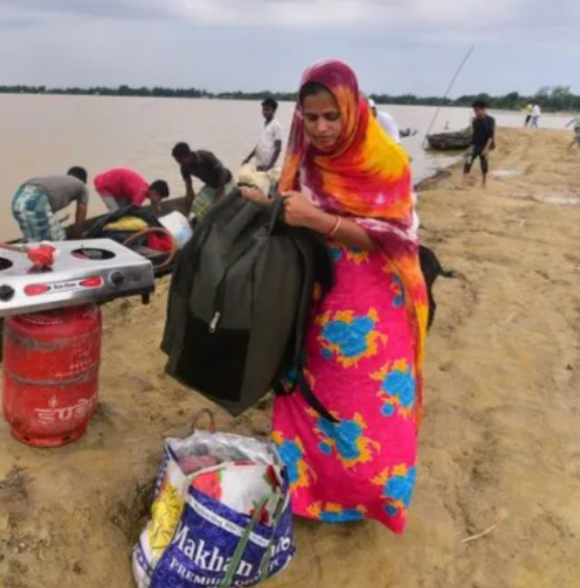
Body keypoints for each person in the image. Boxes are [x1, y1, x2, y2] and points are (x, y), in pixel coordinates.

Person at [239, 59, 427, 534]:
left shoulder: (387, 163)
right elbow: (293, 210)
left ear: (352, 109)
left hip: (371, 306)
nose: (321, 128)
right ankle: (306, 494)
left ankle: (365, 501)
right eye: (311, 116)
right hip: (311, 296)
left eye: (331, 116)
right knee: (305, 394)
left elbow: (397, 240)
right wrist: (268, 206)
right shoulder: (302, 155)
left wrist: (320, 221)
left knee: (366, 406)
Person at [11, 167, 88, 241]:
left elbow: (46, 217)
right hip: (36, 198)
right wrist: (78, 238)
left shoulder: (58, 183)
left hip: (18, 199)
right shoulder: (81, 186)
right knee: (57, 240)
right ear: (84, 181)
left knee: (33, 239)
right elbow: (80, 218)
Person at [172, 143, 234, 221]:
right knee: (196, 209)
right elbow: (189, 190)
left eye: (181, 161)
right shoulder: (184, 168)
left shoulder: (205, 156)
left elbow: (222, 173)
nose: (180, 164)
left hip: (226, 183)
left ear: (187, 155)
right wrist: (186, 214)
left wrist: (218, 194)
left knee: (217, 209)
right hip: (211, 186)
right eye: (178, 162)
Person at [93, 168, 169, 216]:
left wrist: (155, 205)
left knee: (124, 208)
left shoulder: (146, 189)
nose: (159, 201)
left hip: (118, 188)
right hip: (104, 185)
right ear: (155, 192)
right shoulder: (141, 193)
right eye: (160, 198)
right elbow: (134, 210)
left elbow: (153, 203)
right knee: (116, 212)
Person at [242, 97, 285, 172]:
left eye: (268, 110)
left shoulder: (276, 126)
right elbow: (259, 145)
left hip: (268, 166)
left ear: (274, 110)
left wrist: (270, 166)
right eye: (264, 109)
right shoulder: (263, 125)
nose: (265, 112)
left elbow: (278, 148)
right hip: (259, 164)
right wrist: (248, 158)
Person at [461, 100, 496, 188]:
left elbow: (490, 136)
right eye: (474, 110)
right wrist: (470, 147)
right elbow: (475, 135)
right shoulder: (475, 121)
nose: (475, 112)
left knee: (483, 164)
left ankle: (484, 183)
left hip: (484, 145)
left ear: (483, 109)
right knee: (467, 162)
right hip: (474, 145)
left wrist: (486, 149)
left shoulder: (490, 120)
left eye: (477, 110)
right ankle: (463, 184)